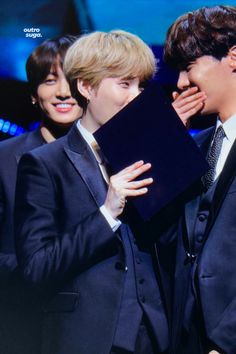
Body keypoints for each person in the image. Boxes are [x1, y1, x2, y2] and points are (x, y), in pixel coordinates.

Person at [13, 29, 204, 354]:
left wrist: (170, 151)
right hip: (86, 337)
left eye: (142, 85)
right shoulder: (45, 164)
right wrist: (107, 212)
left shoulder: (148, 153)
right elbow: (35, 270)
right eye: (124, 83)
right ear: (86, 87)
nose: (136, 95)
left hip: (156, 335)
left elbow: (174, 244)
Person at [0, 35, 81, 354]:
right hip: (24, 320)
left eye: (72, 80)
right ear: (34, 95)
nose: (63, 92)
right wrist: (39, 267)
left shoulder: (111, 155)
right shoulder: (4, 159)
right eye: (50, 81)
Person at [163, 5, 236, 354]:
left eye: (188, 67)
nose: (180, 83)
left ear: (233, 58)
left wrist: (226, 341)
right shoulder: (194, 144)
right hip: (184, 334)